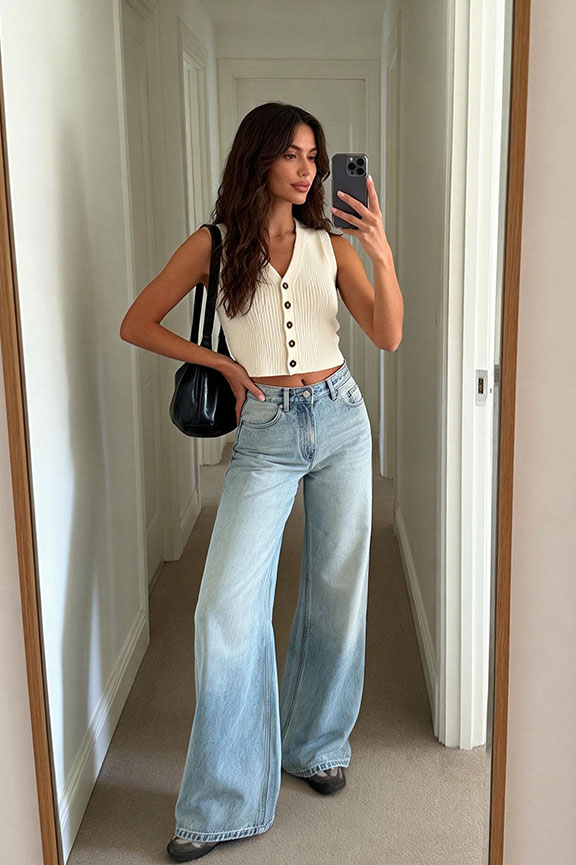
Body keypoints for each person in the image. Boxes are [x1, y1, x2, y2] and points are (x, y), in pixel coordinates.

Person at [120, 101, 403, 862]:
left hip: (340, 419)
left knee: (338, 590)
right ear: (259, 158)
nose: (308, 168)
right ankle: (222, 802)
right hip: (266, 432)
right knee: (223, 608)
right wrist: (220, 362)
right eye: (291, 153)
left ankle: (316, 744)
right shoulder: (213, 244)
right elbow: (137, 321)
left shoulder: (330, 242)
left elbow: (387, 333)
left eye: (314, 155)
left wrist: (378, 250)